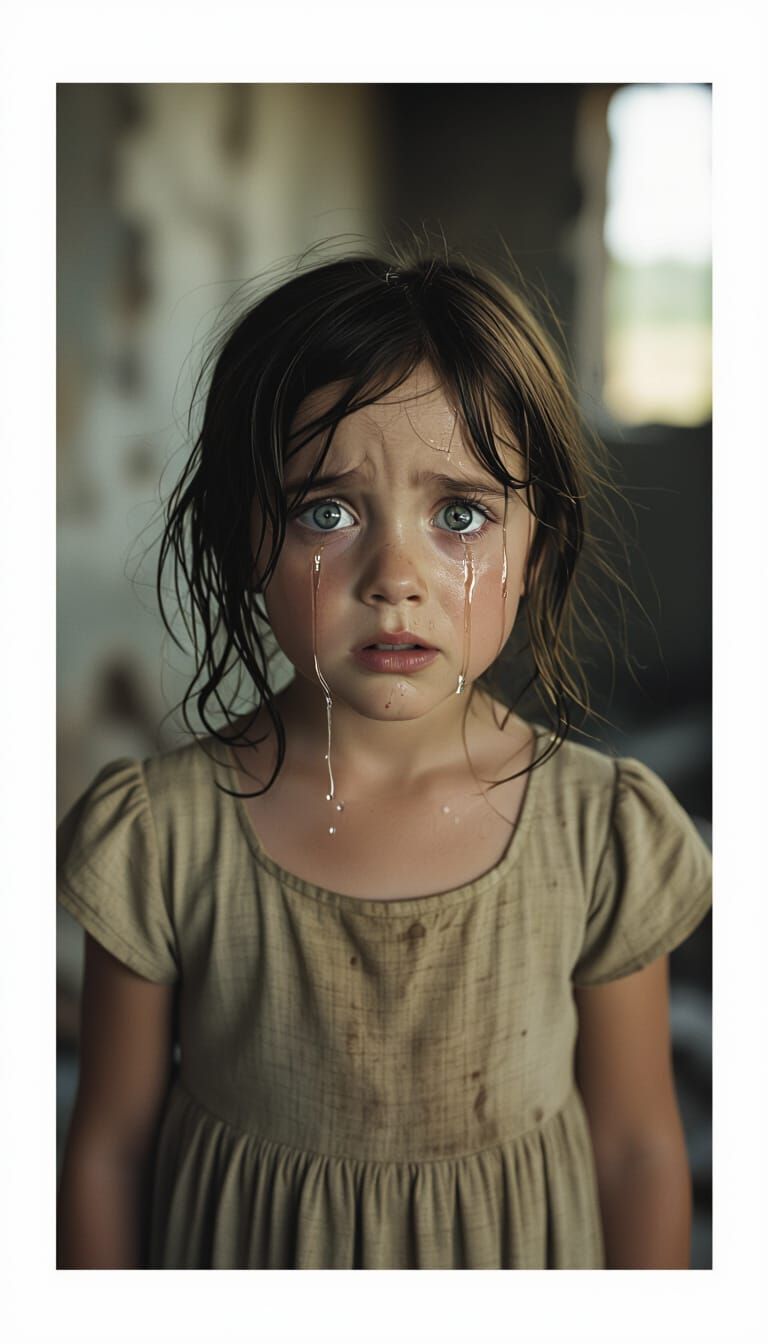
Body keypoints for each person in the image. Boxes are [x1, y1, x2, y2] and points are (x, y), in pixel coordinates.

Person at [56, 250, 712, 1270]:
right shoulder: (160, 835)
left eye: (461, 513)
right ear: (243, 536)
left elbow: (635, 1149)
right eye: (328, 510)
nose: (395, 577)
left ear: (538, 546)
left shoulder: (601, 831)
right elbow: (106, 1149)